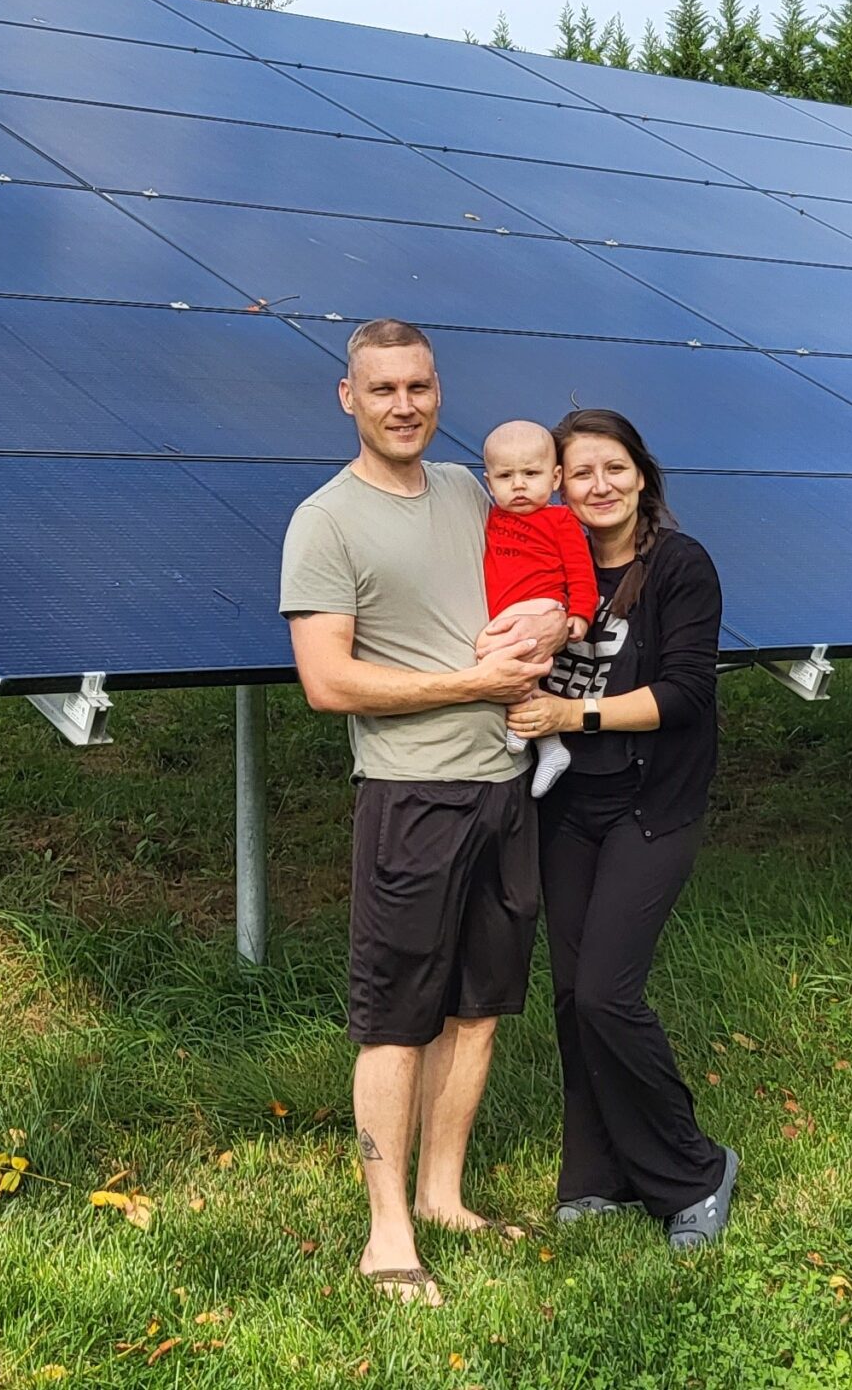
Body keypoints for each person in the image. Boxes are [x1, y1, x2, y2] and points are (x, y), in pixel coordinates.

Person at [278, 319, 570, 1305]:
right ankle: (388, 1234)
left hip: (505, 785)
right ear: (348, 398)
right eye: (383, 389)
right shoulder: (326, 520)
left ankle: (444, 1195)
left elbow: (553, 562)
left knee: (479, 1007)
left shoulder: (467, 488)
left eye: (420, 386)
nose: (405, 405)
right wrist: (471, 680)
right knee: (396, 1019)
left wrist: (554, 624)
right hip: (411, 795)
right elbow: (326, 680)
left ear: (437, 391)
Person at [503, 408, 739, 1250]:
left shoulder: (679, 566)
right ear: (557, 485)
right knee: (571, 998)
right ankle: (596, 1175)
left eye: (614, 469)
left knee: (608, 990)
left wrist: (574, 711)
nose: (598, 487)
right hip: (564, 807)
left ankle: (694, 1171)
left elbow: (685, 695)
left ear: (642, 475)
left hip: (651, 806)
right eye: (579, 473)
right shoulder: (542, 569)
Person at [480, 419, 598, 799]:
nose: (518, 485)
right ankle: (549, 747)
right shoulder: (492, 518)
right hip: (505, 611)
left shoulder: (559, 520)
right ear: (488, 482)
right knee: (508, 663)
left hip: (541, 606)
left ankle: (526, 728)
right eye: (505, 475)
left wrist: (579, 613)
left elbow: (581, 569)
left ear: (555, 477)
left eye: (531, 473)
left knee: (499, 657)